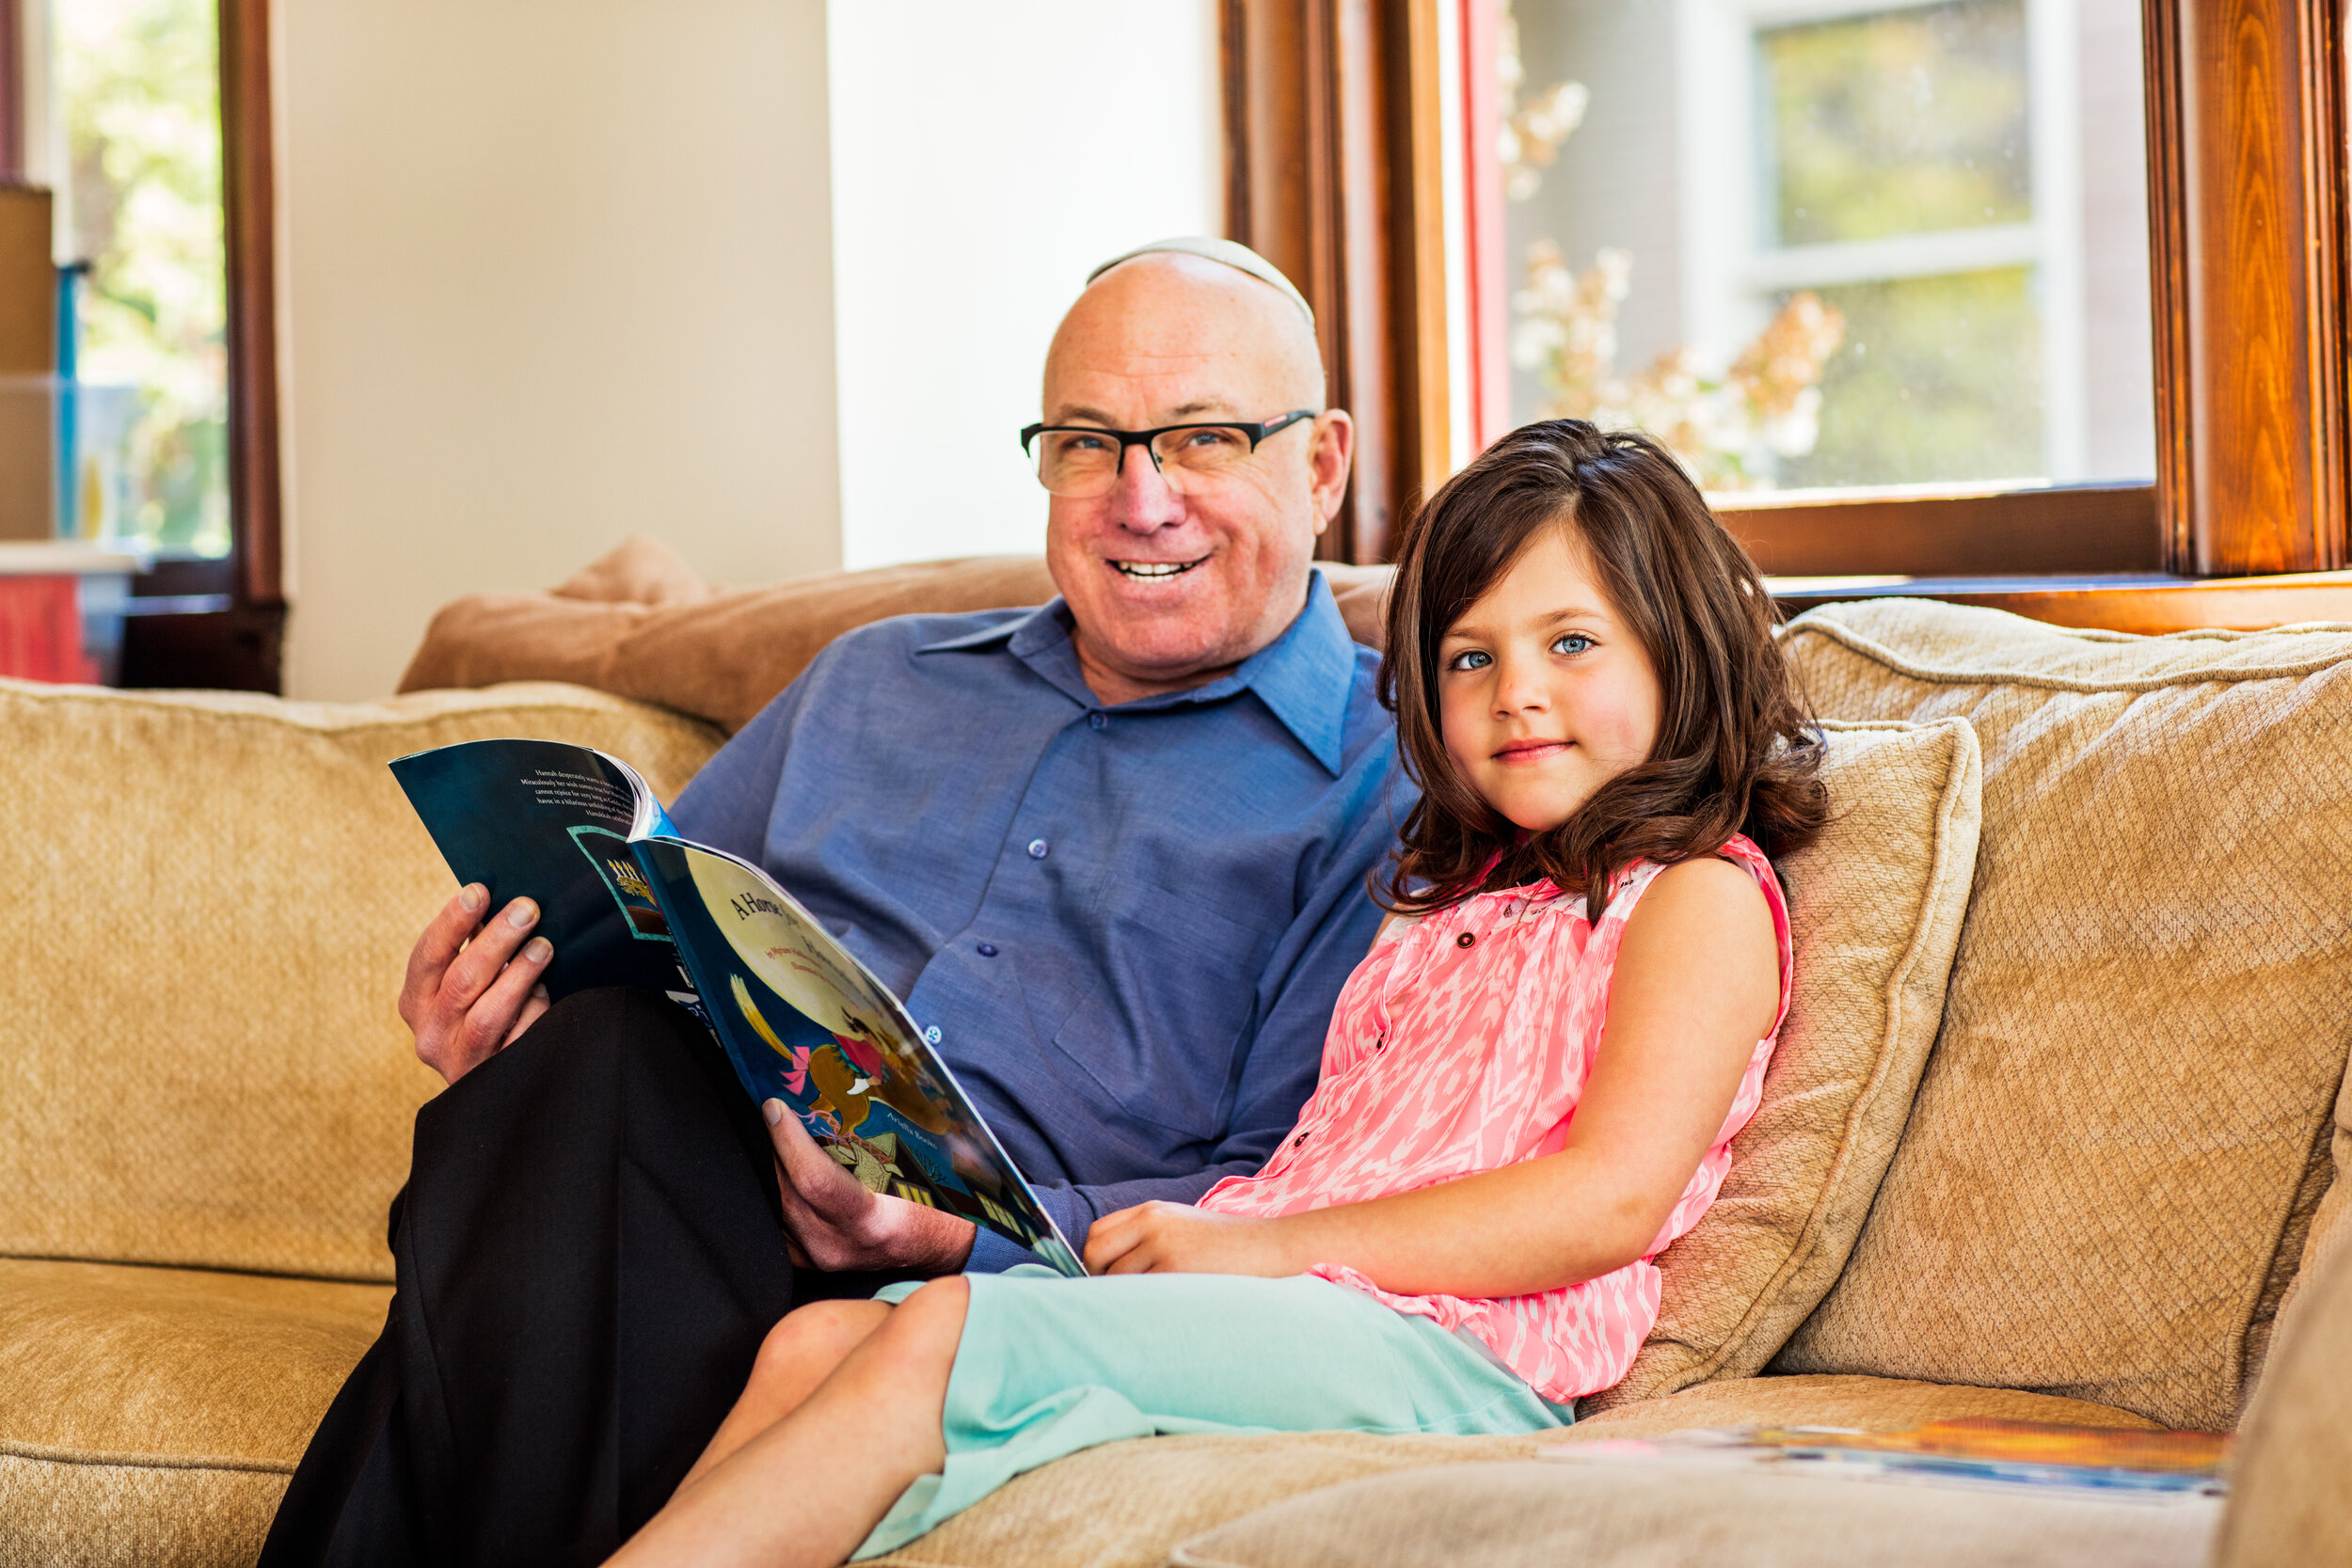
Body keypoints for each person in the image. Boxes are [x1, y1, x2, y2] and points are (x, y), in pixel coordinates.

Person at [260, 240, 1407, 1567]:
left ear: (1322, 464)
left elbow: (1293, 1195)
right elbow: (663, 923)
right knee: (597, 1062)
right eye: (1088, 443)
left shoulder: (1390, 793)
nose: (1140, 501)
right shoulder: (877, 680)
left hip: (938, 1288)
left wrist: (954, 1231)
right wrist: (494, 1043)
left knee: (567, 1165)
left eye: (1203, 438)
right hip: (650, 1184)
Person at [603, 419, 1833, 1567]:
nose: (1517, 691)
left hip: (1454, 1350)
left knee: (941, 1329)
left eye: (1572, 643)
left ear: (1679, 648)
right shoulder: (1453, 903)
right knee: (816, 1338)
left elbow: (1606, 1202)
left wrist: (1257, 1250)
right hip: (1299, 1302)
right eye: (1472, 657)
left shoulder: (1693, 898)